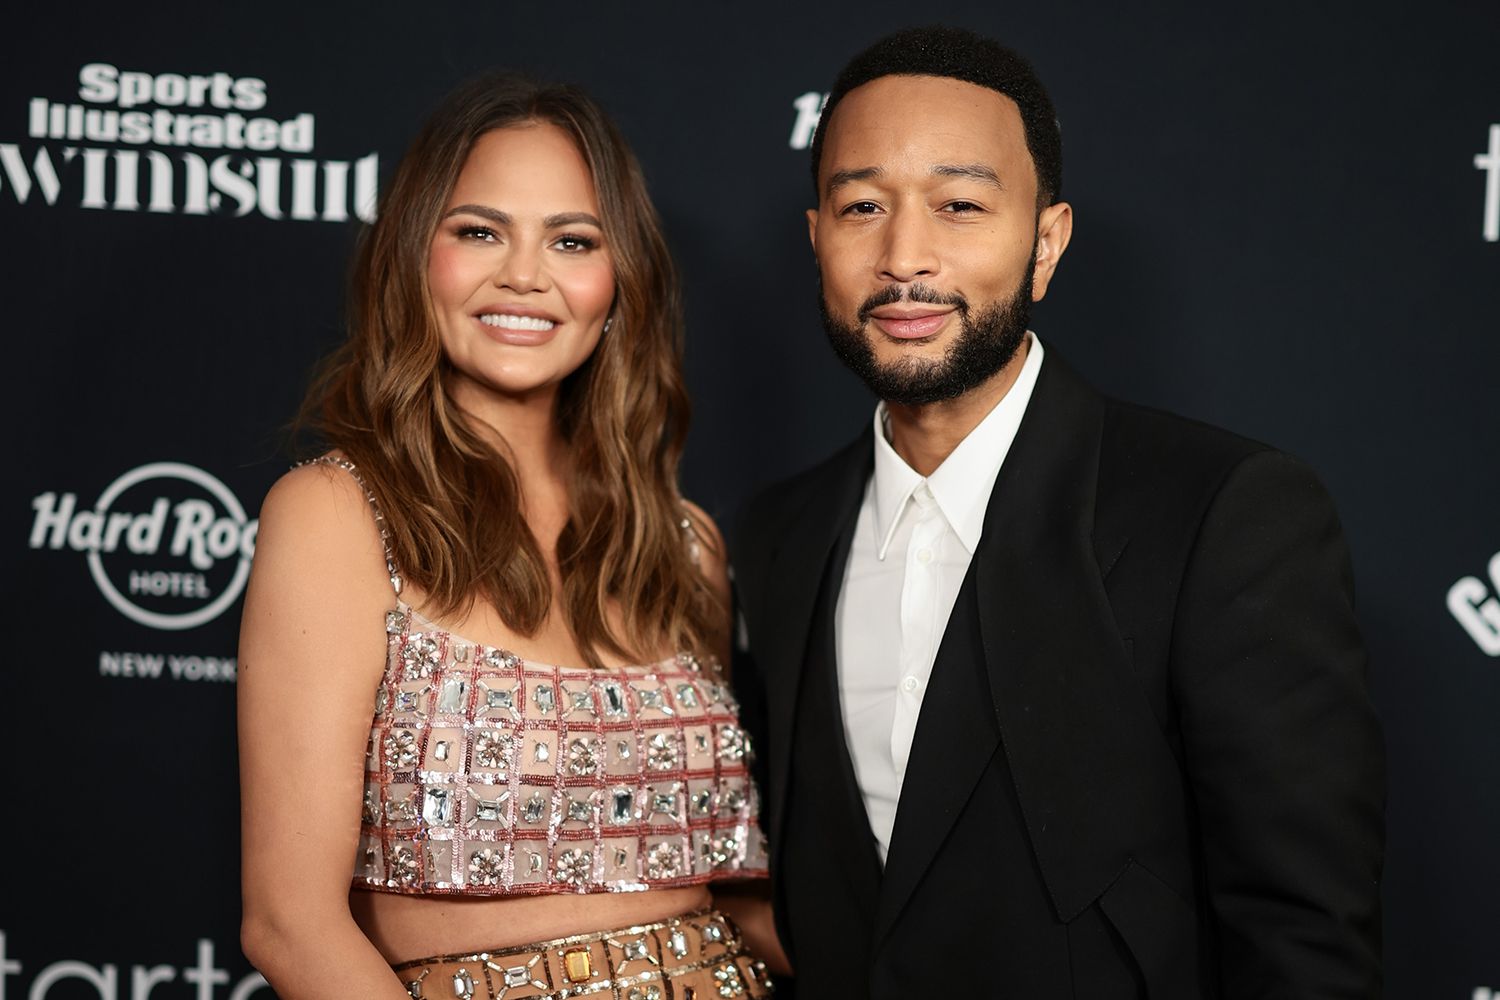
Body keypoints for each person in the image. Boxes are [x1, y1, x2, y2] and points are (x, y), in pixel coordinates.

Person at [729, 25, 1385, 998]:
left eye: (959, 206)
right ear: (818, 238)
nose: (904, 256)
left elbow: (1303, 934)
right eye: (863, 205)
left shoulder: (1221, 515)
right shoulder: (777, 536)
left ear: (1045, 243)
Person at [237, 73, 781, 1000]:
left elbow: (736, 900)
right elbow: (291, 927)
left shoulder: (682, 543)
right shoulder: (336, 515)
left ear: (619, 285)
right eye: (480, 231)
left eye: (572, 240)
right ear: (416, 255)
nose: (524, 275)